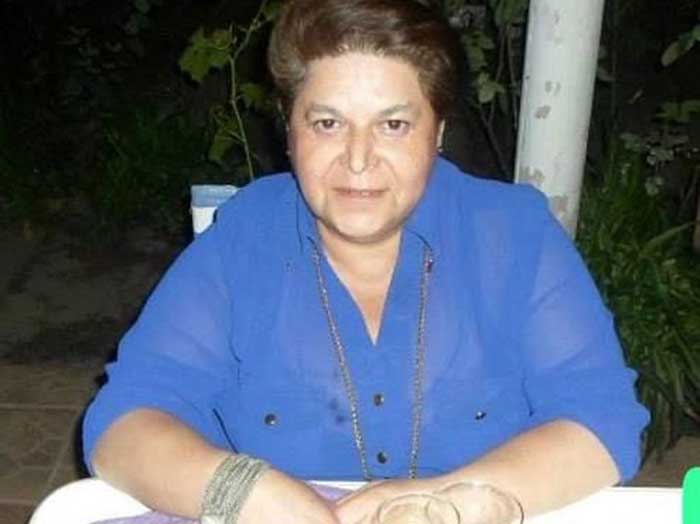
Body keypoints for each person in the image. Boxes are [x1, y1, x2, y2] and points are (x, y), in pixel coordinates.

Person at [82, 0, 649, 522]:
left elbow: (604, 422)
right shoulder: (242, 241)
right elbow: (123, 424)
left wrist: (432, 505)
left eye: (393, 125)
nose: (358, 160)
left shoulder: (516, 235)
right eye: (327, 123)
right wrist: (251, 493)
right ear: (289, 130)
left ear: (438, 131)